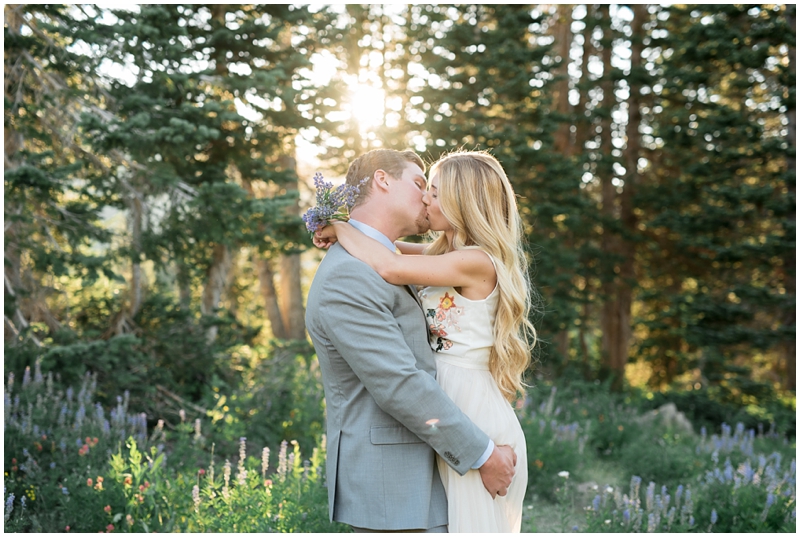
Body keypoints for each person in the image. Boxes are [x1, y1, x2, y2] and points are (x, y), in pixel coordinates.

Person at [314, 150, 535, 533]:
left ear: (462, 200)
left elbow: (392, 264)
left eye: (434, 190)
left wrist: (342, 227)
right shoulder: (364, 272)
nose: (426, 198)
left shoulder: (473, 260)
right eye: (422, 186)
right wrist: (343, 230)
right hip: (445, 420)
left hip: (470, 405)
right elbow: (392, 253)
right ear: (383, 180)